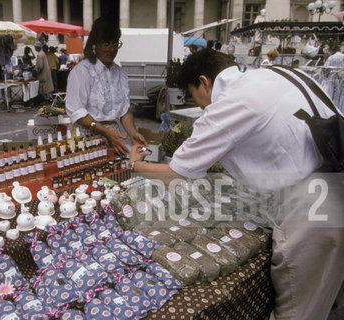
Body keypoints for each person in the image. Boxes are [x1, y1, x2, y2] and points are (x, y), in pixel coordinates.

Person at [129, 48, 344, 320]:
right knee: (333, 294)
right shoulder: (283, 74)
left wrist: (135, 164)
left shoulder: (230, 102)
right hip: (336, 180)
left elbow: (174, 174)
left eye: (193, 95)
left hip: (313, 201)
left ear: (204, 82)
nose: (200, 105)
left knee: (300, 308)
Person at [66, 16, 147, 156]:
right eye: (106, 44)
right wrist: (106, 132)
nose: (111, 50)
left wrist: (133, 133)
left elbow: (124, 110)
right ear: (94, 44)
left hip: (113, 136)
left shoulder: (119, 73)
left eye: (115, 44)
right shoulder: (82, 71)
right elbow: (77, 111)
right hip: (88, 135)